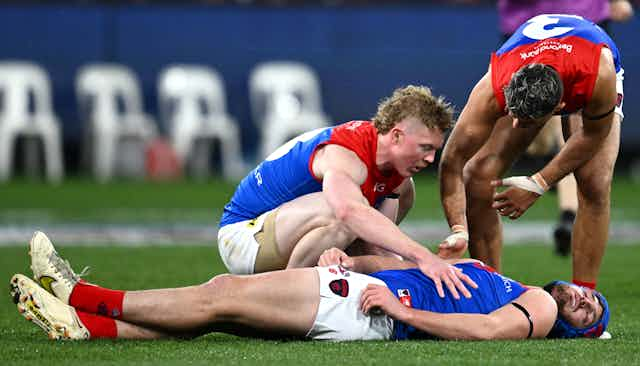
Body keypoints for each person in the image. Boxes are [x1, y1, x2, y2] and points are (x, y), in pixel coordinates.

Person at [12, 232, 609, 341]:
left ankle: (78, 295)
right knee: (220, 316)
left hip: (368, 314)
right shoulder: (506, 280)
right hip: (365, 297)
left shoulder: (533, 309)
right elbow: (405, 274)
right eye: (588, 293)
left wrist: (403, 312)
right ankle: (85, 329)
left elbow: (483, 331)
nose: (582, 298)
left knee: (221, 293)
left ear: (575, 331)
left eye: (589, 312)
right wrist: (355, 259)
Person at [219, 85, 476, 299]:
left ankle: (307, 289)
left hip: (286, 232)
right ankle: (280, 298)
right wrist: (421, 257)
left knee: (377, 212)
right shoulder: (345, 153)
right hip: (243, 237)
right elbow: (348, 212)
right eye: (425, 148)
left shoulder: (397, 172)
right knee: (346, 213)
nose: (431, 159)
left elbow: (377, 247)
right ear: (396, 136)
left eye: (434, 150)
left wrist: (424, 271)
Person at [437, 14, 624, 290]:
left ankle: (585, 297)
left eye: (527, 121)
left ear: (559, 107)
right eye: (514, 115)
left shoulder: (599, 72)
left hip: (585, 62)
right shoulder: (494, 86)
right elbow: (451, 162)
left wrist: (539, 183)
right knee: (478, 175)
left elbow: (593, 135)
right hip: (533, 59)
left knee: (594, 181)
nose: (516, 124)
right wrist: (458, 229)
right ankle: (493, 291)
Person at [495, 0, 634, 257]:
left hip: (585, 29)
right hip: (529, 32)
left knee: (573, 141)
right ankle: (564, 195)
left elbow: (591, 136)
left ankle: (568, 214)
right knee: (538, 140)